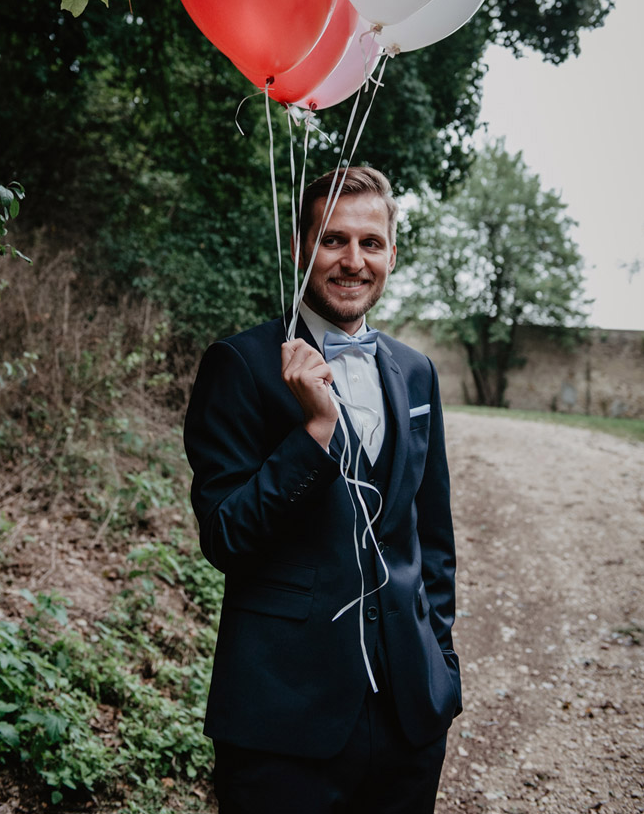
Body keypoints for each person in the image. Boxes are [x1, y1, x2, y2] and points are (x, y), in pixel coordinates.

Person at [183, 165, 459, 813]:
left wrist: (438, 663)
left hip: (408, 721)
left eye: (371, 242)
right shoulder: (240, 364)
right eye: (333, 239)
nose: (353, 260)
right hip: (282, 726)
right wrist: (313, 431)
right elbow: (225, 536)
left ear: (393, 251)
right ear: (299, 247)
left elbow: (433, 538)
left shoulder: (416, 372)